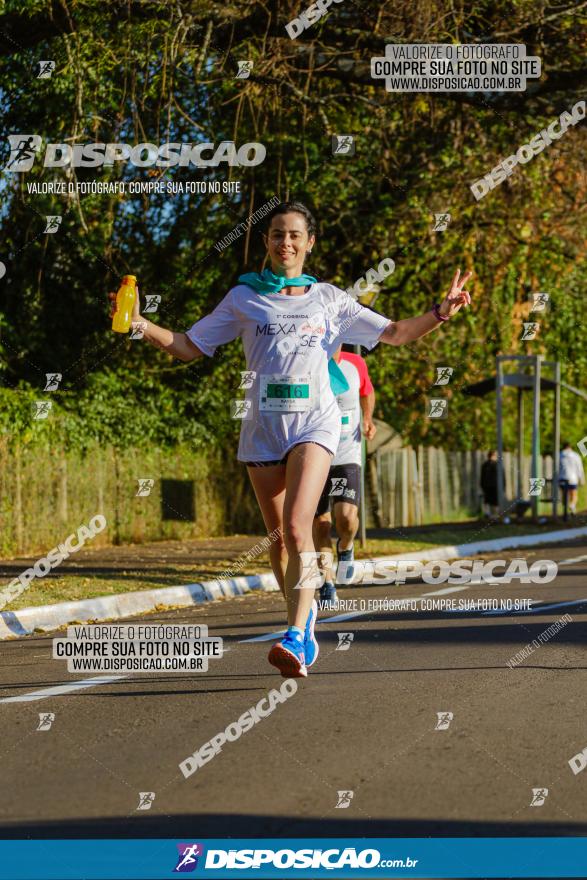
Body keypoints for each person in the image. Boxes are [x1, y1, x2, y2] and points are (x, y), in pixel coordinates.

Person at [110, 201, 472, 679]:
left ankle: (298, 635)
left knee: (300, 527)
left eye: (295, 235)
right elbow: (189, 346)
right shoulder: (244, 298)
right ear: (266, 242)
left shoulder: (329, 299)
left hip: (314, 425)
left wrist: (440, 313)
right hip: (262, 429)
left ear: (309, 242)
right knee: (279, 542)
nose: (286, 243)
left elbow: (397, 333)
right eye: (277, 234)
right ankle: (300, 623)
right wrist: (138, 323)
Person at [313, 344, 377, 607]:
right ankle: (327, 582)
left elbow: (367, 391)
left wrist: (368, 418)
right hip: (315, 454)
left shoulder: (355, 363)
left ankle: (346, 546)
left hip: (347, 453)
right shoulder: (309, 361)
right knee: (321, 523)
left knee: (347, 518)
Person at [559, 442, 585, 516]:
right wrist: (582, 479)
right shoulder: (576, 456)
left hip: (562, 478)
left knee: (564, 494)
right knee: (573, 494)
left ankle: (565, 510)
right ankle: (572, 505)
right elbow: (579, 468)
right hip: (573, 479)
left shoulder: (559, 455)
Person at [480, 450, 501, 517]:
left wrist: (482, 485)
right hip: (495, 486)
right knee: (495, 502)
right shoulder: (497, 465)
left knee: (487, 500)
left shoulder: (484, 465)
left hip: (486, 486)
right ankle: (495, 515)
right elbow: (501, 476)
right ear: (493, 455)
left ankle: (488, 514)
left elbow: (482, 477)